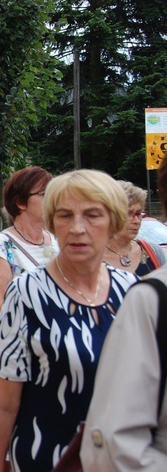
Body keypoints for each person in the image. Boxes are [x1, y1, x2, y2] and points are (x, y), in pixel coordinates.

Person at [0, 169, 138, 472]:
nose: (77, 228)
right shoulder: (26, 293)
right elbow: (3, 404)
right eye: (65, 216)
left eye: (93, 215)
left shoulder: (132, 292)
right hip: (47, 456)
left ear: (114, 222)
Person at [80, 163, 167, 471]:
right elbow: (118, 437)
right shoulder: (91, 255)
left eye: (140, 213)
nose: (136, 220)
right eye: (130, 212)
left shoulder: (152, 251)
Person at [0, 166, 59, 377]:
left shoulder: (58, 240)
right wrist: (40, 336)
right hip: (20, 351)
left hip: (62, 348)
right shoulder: (0, 245)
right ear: (20, 202)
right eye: (44, 194)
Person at [102, 180, 164, 275]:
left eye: (138, 213)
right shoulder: (91, 258)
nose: (136, 221)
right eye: (129, 214)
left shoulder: (153, 251)